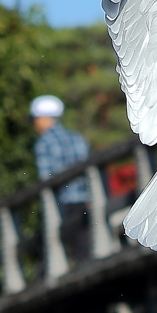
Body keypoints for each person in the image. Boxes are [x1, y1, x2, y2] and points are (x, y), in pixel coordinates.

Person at [31, 95, 91, 263]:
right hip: (84, 198)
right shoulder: (77, 137)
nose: (34, 124)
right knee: (85, 244)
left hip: (62, 202)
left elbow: (46, 178)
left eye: (35, 119)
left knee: (58, 244)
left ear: (45, 118)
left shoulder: (44, 142)